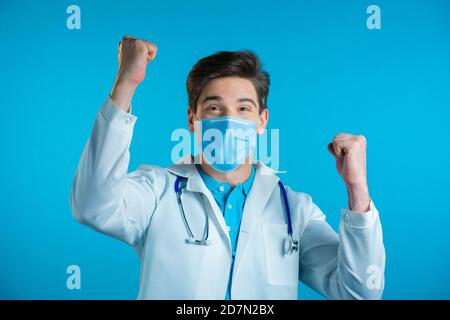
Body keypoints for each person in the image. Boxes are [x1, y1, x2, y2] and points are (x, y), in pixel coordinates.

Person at [70, 36, 385, 299]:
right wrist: (126, 84)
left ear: (262, 121)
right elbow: (92, 207)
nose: (229, 120)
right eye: (214, 108)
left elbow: (359, 292)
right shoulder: (158, 190)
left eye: (243, 108)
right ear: (193, 120)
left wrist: (357, 189)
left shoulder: (294, 210)